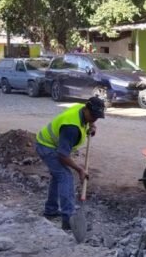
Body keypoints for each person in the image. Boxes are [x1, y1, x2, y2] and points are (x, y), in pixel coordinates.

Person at [35, 96, 105, 231]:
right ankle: (68, 219)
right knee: (65, 176)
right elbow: (62, 156)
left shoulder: (82, 110)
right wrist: (79, 170)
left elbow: (87, 122)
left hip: (52, 145)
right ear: (86, 109)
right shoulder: (71, 128)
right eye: (93, 116)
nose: (94, 119)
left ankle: (50, 210)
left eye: (97, 117)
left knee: (58, 177)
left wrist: (92, 126)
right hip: (46, 147)